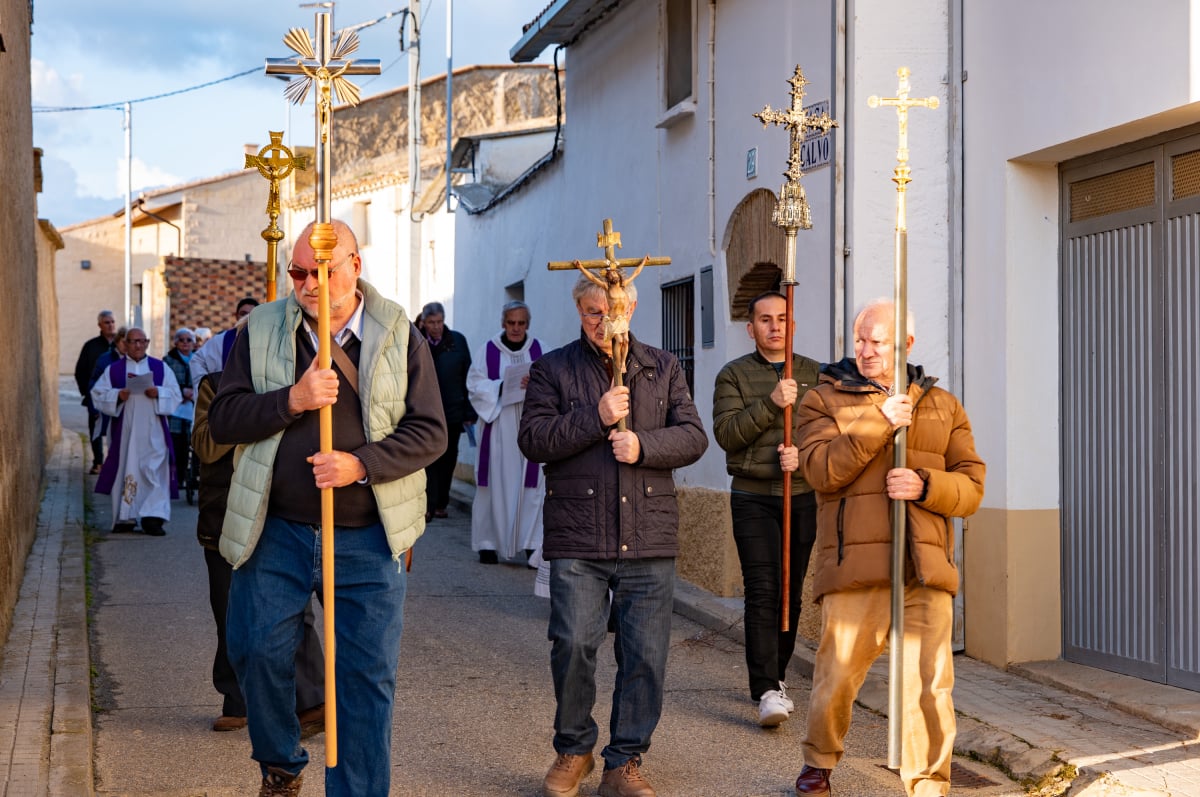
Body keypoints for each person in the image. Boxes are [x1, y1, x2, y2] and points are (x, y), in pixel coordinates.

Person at [208, 220, 447, 797]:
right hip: (277, 530)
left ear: (356, 267)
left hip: (367, 537)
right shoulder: (260, 328)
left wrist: (361, 464)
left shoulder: (398, 332)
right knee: (256, 651)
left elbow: (431, 432)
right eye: (299, 272)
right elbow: (225, 419)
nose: (312, 283)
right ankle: (280, 764)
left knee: (365, 679)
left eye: (325, 270)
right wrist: (293, 399)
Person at [518, 274, 708, 797]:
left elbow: (694, 436)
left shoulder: (662, 365)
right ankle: (573, 748)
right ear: (580, 311)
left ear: (634, 305)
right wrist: (594, 418)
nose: (605, 323)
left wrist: (643, 447)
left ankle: (624, 761)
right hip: (579, 533)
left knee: (645, 653)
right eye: (593, 312)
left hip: (648, 533)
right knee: (574, 643)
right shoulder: (552, 368)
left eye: (614, 310)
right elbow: (533, 439)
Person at [792, 300, 985, 797]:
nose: (865, 350)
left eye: (877, 341)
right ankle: (819, 762)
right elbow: (820, 471)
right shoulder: (823, 399)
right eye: (860, 339)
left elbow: (971, 487)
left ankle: (928, 782)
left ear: (907, 345)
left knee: (929, 685)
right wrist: (879, 420)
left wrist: (925, 486)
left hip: (923, 566)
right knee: (837, 675)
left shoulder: (944, 406)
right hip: (856, 562)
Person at [191, 312, 327, 736]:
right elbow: (205, 445)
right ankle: (237, 698)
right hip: (226, 514)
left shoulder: (291, 385)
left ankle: (311, 703)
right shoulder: (213, 385)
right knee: (230, 609)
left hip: (279, 514)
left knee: (295, 612)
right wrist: (250, 416)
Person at [711, 291, 819, 727]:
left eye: (782, 318)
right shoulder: (732, 375)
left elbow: (830, 432)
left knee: (790, 590)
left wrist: (805, 456)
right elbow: (727, 434)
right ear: (750, 327)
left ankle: (779, 675)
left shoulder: (815, 373)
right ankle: (766, 689)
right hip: (753, 497)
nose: (774, 326)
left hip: (802, 497)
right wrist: (771, 403)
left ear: (792, 325)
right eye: (764, 319)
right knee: (763, 589)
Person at [466, 300, 545, 565]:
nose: (515, 328)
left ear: (527, 324)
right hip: (498, 427)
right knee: (492, 486)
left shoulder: (540, 349)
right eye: (511, 322)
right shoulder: (487, 351)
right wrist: (501, 386)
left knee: (532, 489)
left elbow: (553, 383)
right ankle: (487, 543)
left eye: (521, 323)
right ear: (503, 323)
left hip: (528, 425)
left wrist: (535, 383)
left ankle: (531, 544)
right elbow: (474, 385)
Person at [91, 328, 182, 535]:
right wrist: (118, 395)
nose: (138, 346)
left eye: (142, 341)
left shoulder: (160, 368)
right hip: (127, 434)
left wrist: (158, 392)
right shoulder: (114, 370)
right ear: (125, 343)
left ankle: (153, 518)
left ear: (147, 343)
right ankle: (126, 518)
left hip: (154, 432)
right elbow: (98, 393)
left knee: (154, 472)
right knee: (127, 469)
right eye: (133, 342)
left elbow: (175, 394)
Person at [421, 301, 476, 521]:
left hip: (453, 412)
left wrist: (469, 411)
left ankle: (441, 503)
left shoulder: (458, 342)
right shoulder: (417, 343)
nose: (436, 327)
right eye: (432, 323)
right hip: (425, 412)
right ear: (424, 323)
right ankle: (428, 505)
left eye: (440, 322)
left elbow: (469, 378)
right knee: (428, 459)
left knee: (448, 458)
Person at [75, 310, 118, 473]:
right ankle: (98, 462)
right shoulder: (91, 346)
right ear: (100, 325)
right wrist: (86, 393)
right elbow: (80, 371)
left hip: (116, 395)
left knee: (115, 428)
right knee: (96, 429)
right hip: (95, 395)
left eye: (113, 322)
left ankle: (114, 460)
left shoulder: (121, 345)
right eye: (107, 322)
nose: (111, 325)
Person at [191, 297, 259, 385]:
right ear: (236, 316)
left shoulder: (264, 339)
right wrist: (205, 386)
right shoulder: (221, 340)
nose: (247, 317)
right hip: (224, 394)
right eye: (243, 314)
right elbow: (197, 360)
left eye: (251, 314)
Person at [164, 328, 196, 493]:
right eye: (181, 340)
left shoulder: (198, 359)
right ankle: (174, 479)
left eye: (188, 340)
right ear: (176, 342)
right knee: (175, 444)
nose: (185, 343)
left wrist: (192, 392)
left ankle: (185, 477)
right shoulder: (168, 361)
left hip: (192, 408)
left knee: (188, 444)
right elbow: (165, 382)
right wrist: (181, 391)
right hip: (175, 411)